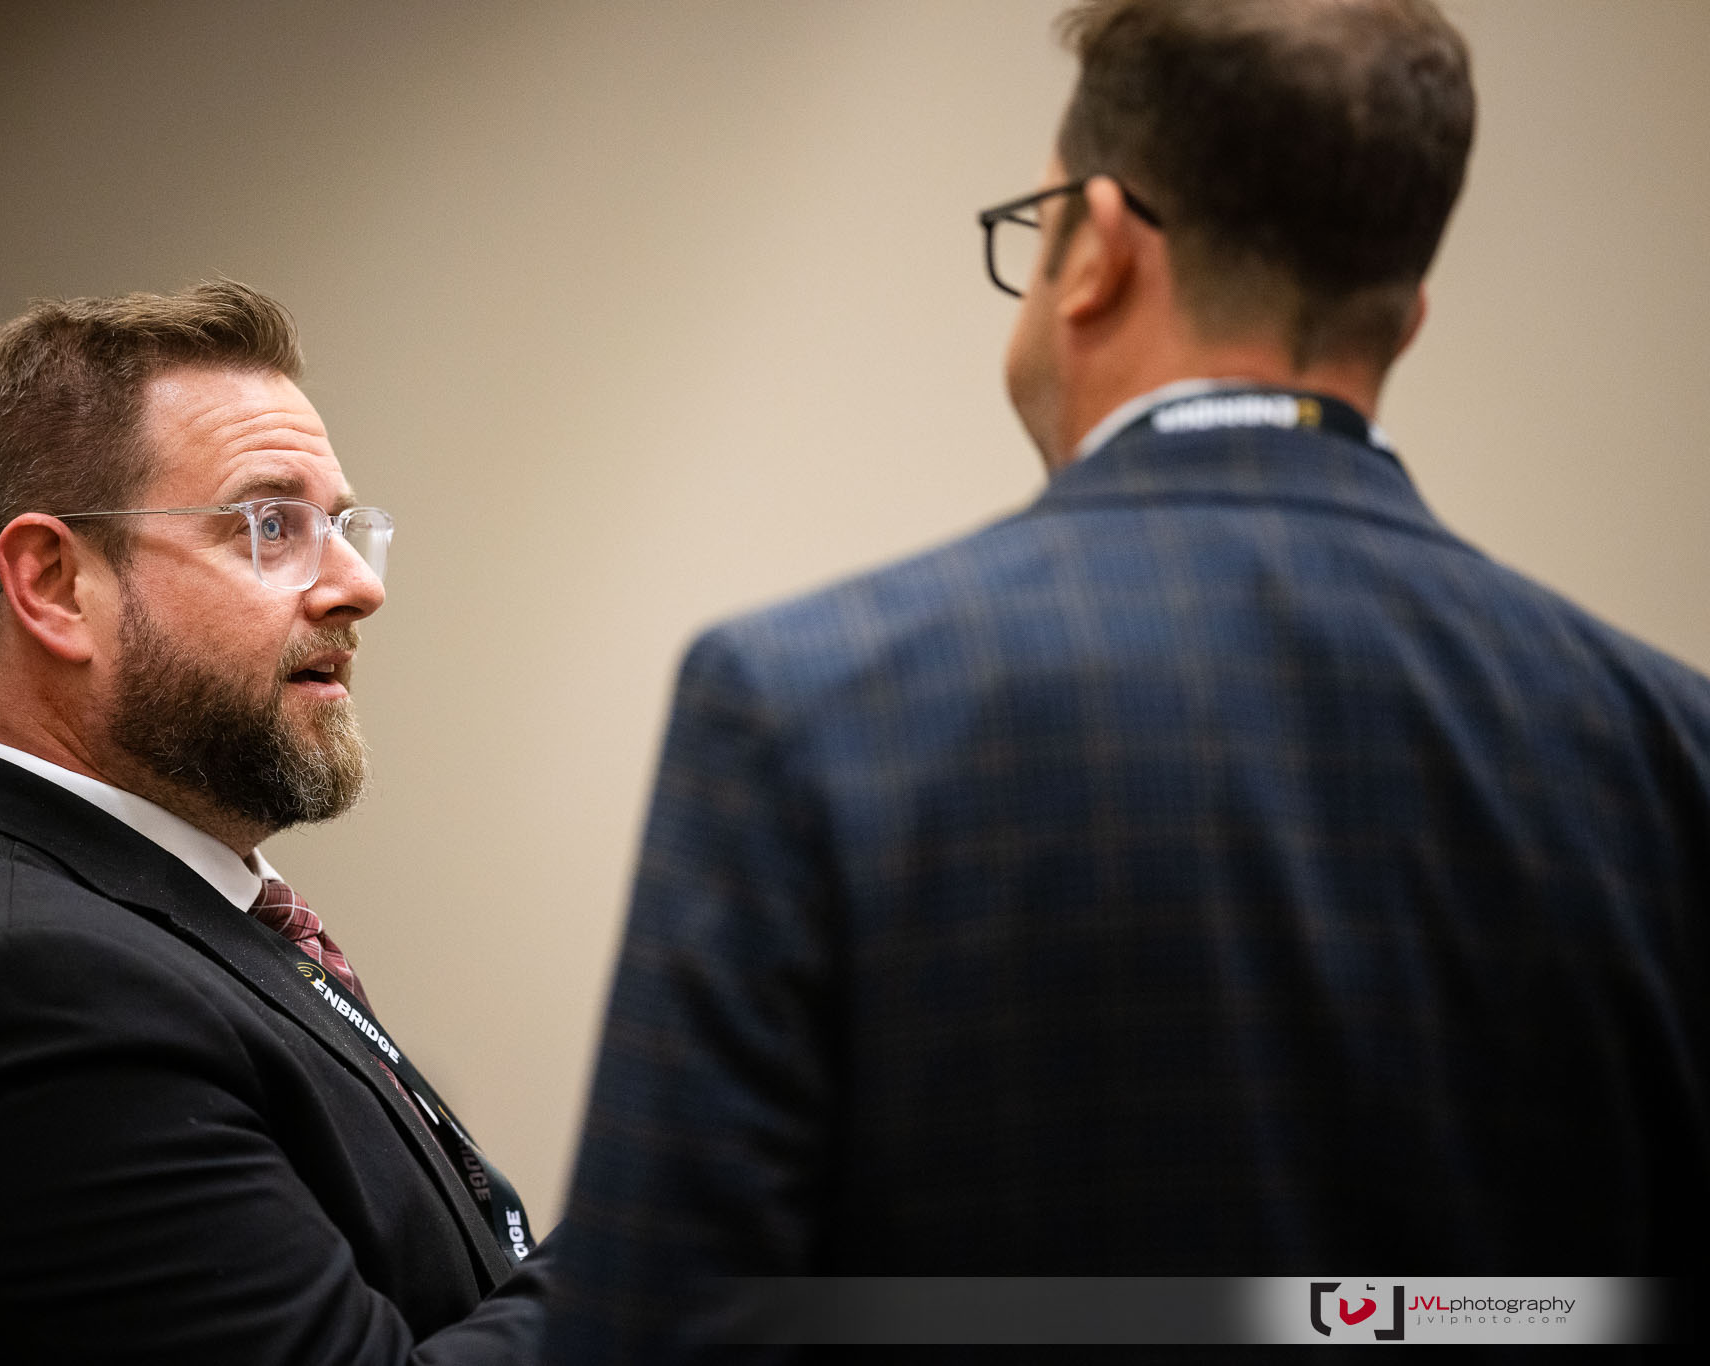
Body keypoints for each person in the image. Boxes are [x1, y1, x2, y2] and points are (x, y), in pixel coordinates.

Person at [549, 0, 1710, 1357]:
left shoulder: (802, 709)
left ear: (1095, 248)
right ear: (1405, 318)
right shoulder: (1669, 753)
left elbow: (651, 1329)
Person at [0, 281, 547, 1364]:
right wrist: (671, 1231)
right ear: (55, 586)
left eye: (343, 528)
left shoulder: (160, 924)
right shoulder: (25, 986)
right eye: (270, 525)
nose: (355, 587)